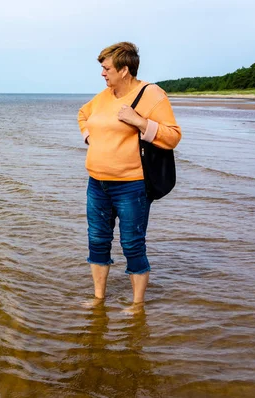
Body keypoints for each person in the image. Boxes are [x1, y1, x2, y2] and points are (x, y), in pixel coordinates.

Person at [77, 42, 181, 306]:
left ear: (124, 70)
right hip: (97, 183)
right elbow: (83, 114)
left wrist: (140, 121)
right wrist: (90, 138)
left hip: (131, 185)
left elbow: (173, 137)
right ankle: (99, 298)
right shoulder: (104, 96)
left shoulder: (151, 94)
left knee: (132, 243)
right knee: (97, 241)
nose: (102, 73)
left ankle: (137, 306)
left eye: (106, 68)